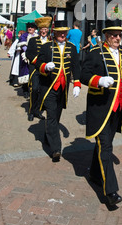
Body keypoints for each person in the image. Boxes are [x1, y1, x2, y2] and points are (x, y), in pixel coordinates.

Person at [80, 20, 122, 207]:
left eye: (119, 35)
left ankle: (94, 174)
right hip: (100, 108)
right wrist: (98, 80)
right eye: (113, 35)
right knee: (105, 146)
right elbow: (83, 75)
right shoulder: (95, 53)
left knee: (104, 144)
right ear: (106, 36)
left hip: (117, 109)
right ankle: (110, 192)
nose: (117, 38)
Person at [36, 20, 81, 162]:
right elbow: (38, 64)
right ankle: (56, 149)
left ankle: (47, 135)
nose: (62, 34)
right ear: (54, 33)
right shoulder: (46, 47)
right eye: (59, 32)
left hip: (63, 88)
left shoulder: (72, 48)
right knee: (51, 115)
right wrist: (45, 67)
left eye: (64, 32)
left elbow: (76, 66)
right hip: (49, 87)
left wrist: (77, 84)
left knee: (56, 115)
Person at [25, 16, 52, 121]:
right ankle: (32, 111)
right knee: (35, 89)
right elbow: (28, 54)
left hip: (46, 70)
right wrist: (39, 63)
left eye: (45, 29)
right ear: (39, 30)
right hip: (35, 69)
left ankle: (38, 110)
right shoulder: (33, 40)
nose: (43, 31)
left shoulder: (51, 41)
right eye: (42, 29)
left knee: (43, 91)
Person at [17, 22, 38, 94]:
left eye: (32, 27)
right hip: (25, 57)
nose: (30, 28)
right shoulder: (24, 35)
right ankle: (25, 89)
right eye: (29, 27)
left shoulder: (37, 36)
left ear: (35, 28)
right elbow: (23, 46)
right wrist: (29, 53)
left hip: (35, 57)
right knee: (25, 71)